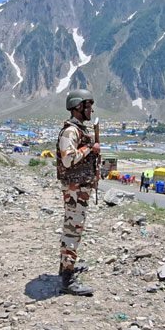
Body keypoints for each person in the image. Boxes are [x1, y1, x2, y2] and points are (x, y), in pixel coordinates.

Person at [55, 89, 98, 296]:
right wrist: (90, 148)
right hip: (75, 190)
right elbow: (68, 159)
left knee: (73, 230)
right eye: (88, 106)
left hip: (79, 189)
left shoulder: (78, 130)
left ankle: (67, 268)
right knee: (72, 231)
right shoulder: (71, 131)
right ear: (78, 107)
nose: (91, 110)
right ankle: (67, 280)